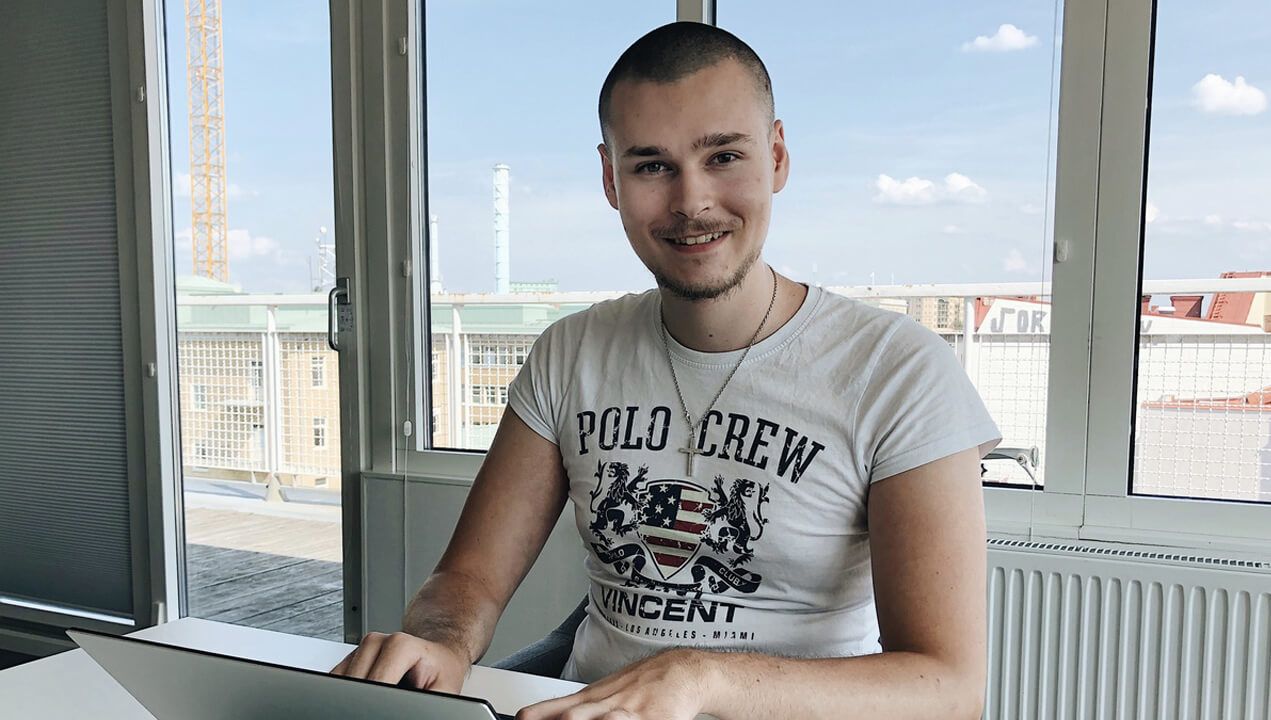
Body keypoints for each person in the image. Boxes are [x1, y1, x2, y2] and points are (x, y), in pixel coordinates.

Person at [333, 21, 1000, 719]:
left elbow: (949, 687)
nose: (691, 202)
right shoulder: (570, 353)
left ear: (776, 156)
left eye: (724, 156)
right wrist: (439, 641)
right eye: (651, 166)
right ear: (610, 179)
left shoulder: (898, 370)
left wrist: (700, 678)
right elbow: (468, 578)